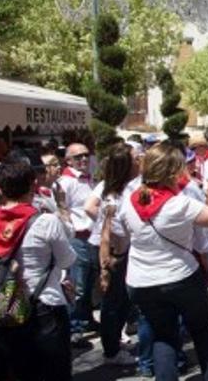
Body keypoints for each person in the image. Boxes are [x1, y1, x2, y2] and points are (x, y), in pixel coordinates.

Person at [121, 143, 208, 380]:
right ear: (173, 172)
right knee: (201, 330)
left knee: (163, 335)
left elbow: (123, 231)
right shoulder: (179, 203)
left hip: (141, 281)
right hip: (179, 277)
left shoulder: (129, 199)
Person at [0, 156, 77, 380]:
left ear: (0, 187)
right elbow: (67, 260)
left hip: (4, 307)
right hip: (44, 306)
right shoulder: (45, 221)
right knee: (54, 373)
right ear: (32, 186)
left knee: (18, 371)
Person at [85, 143, 140, 365]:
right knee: (112, 302)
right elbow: (90, 208)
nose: (139, 161)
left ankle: (114, 343)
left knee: (122, 300)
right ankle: (111, 351)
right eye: (135, 158)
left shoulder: (125, 187)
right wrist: (107, 222)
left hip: (118, 248)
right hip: (109, 250)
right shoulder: (114, 190)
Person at [57, 142, 98, 343]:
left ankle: (86, 319)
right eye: (79, 156)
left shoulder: (88, 178)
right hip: (78, 238)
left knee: (89, 283)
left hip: (91, 237)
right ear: (69, 160)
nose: (84, 159)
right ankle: (74, 328)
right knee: (78, 285)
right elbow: (63, 210)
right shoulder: (65, 182)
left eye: (86, 155)